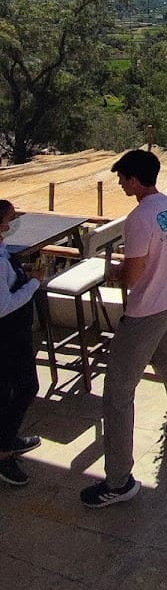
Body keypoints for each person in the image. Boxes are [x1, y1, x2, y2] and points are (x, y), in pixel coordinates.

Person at [80, 149, 167, 508]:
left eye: (122, 178)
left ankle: (118, 481)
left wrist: (116, 272)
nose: (119, 183)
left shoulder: (139, 218)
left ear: (134, 180)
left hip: (147, 312)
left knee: (118, 392)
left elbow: (133, 276)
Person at [0, 199, 43, 487]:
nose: (13, 224)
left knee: (6, 390)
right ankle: (4, 452)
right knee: (26, 387)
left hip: (12, 333)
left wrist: (21, 273)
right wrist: (33, 283)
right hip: (9, 335)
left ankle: (7, 438)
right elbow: (3, 305)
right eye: (10, 219)